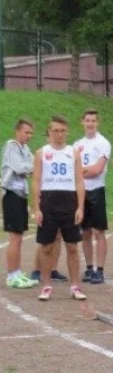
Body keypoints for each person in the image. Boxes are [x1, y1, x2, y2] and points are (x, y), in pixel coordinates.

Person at [32, 115, 86, 302]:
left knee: (72, 246)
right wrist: (36, 208)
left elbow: (79, 180)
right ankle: (46, 285)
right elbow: (36, 181)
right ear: (49, 131)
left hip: (69, 201)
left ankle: (75, 286)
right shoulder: (41, 153)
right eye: (56, 130)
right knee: (46, 246)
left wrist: (80, 207)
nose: (59, 134)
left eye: (62, 130)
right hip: (48, 201)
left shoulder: (74, 152)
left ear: (67, 132)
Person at [74, 109, 111, 285]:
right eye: (87, 120)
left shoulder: (103, 143)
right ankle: (89, 268)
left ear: (98, 123)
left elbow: (97, 170)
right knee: (85, 232)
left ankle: (100, 270)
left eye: (93, 121)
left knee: (98, 231)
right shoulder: (77, 145)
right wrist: (83, 172)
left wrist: (80, 171)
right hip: (81, 191)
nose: (90, 123)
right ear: (82, 122)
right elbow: (74, 170)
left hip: (96, 190)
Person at [2, 119, 38, 289]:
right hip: (11, 194)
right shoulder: (12, 146)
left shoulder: (25, 149)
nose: (29, 136)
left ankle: (17, 272)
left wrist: (31, 167)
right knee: (14, 237)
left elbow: (35, 164)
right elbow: (19, 167)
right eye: (26, 132)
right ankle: (11, 275)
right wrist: (31, 167)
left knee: (19, 236)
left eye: (31, 133)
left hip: (21, 195)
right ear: (17, 131)